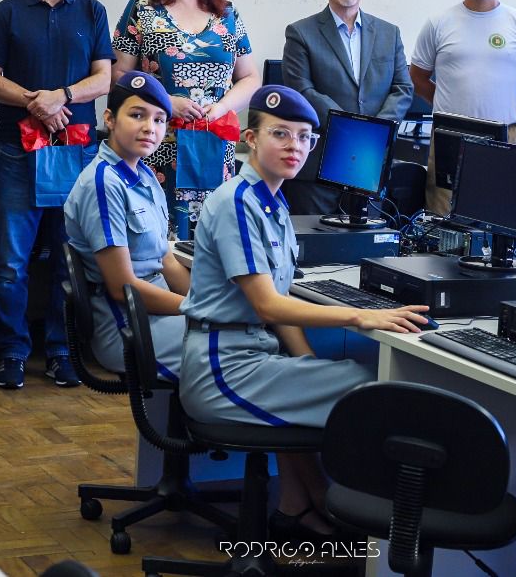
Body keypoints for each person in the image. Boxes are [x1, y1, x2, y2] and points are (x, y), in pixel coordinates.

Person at [180, 85, 429, 538]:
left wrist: (307, 364)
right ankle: (367, 526)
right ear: (250, 139)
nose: (294, 146)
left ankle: (300, 507)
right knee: (368, 391)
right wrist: (360, 316)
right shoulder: (239, 202)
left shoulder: (272, 201)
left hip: (250, 354)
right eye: (280, 134)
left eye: (304, 137)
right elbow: (268, 304)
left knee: (345, 376)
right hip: (223, 368)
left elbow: (279, 309)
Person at [0, 0, 113, 390]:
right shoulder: (8, 11)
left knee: (67, 258)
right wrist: (36, 101)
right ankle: (13, 350)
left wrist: (62, 96)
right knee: (12, 261)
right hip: (19, 151)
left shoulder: (93, 12)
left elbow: (104, 79)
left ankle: (60, 350)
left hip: (75, 154)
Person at [112, 0, 261, 238]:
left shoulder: (228, 15)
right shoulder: (143, 8)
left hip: (214, 146)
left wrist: (220, 108)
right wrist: (165, 102)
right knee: (155, 240)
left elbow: (250, 78)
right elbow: (120, 75)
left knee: (210, 239)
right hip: (156, 143)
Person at [64, 72, 187, 378]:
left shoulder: (144, 175)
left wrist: (208, 302)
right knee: (237, 341)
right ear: (110, 119)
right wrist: (198, 310)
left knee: (247, 331)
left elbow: (166, 260)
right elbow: (123, 289)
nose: (150, 128)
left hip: (157, 313)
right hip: (128, 326)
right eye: (137, 115)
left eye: (160, 120)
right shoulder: (104, 183)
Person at [409, 0, 516, 215]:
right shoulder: (438, 23)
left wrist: (501, 104)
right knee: (443, 215)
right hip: (450, 135)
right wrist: (451, 105)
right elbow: (418, 77)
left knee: (500, 213)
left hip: (505, 136)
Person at [281, 0, 412, 215]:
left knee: (365, 248)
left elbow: (403, 88)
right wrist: (351, 127)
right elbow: (301, 90)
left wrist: (377, 129)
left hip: (371, 164)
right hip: (319, 166)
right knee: (317, 248)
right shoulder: (300, 33)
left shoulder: (389, 33)